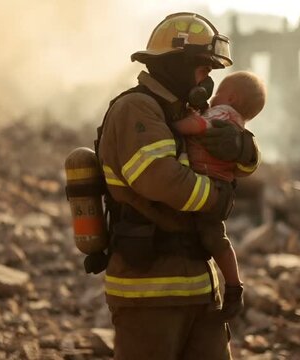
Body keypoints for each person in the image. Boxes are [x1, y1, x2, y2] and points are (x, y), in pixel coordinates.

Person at [94, 13, 260, 360]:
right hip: (150, 293)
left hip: (199, 289)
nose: (208, 82)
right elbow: (161, 179)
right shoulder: (137, 108)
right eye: (203, 70)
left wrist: (243, 147)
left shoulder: (185, 112)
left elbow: (240, 164)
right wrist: (218, 198)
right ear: (177, 64)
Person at [172, 71, 265, 288]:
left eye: (219, 93)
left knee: (215, 238)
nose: (212, 96)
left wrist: (173, 126)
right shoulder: (235, 120)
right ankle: (233, 284)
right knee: (216, 239)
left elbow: (201, 126)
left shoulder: (223, 113)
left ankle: (234, 284)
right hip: (215, 187)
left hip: (209, 187)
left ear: (232, 99)